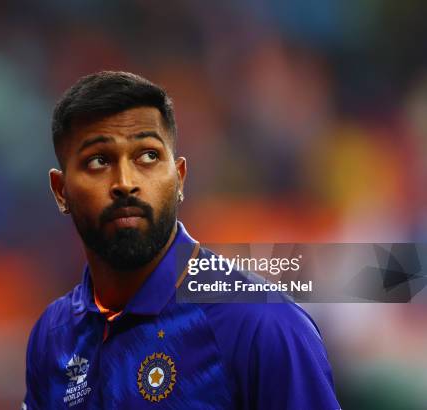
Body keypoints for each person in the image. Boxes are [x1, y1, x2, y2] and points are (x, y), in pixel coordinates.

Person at [23, 71, 340, 409]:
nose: (125, 182)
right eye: (99, 161)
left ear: (179, 179)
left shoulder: (260, 325)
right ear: (61, 192)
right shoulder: (52, 336)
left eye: (147, 156)